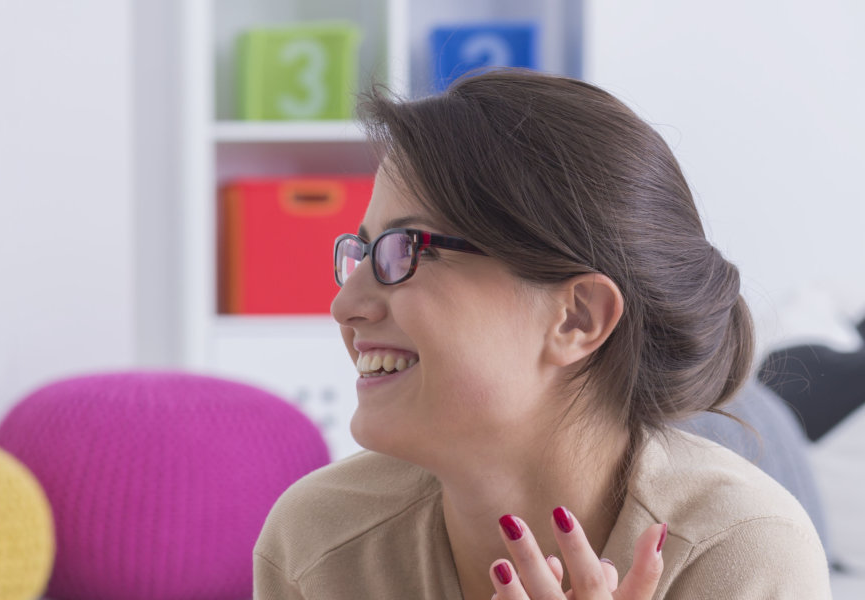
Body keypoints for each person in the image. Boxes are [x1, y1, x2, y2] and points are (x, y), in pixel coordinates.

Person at [254, 70, 830, 599]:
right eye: (363, 252)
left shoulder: (742, 552)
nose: (344, 306)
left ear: (577, 318)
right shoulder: (318, 542)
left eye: (407, 250)